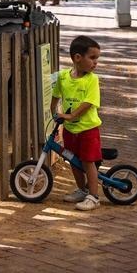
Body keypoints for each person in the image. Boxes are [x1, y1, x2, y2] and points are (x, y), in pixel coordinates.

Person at [52, 36, 104, 211]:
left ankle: (94, 196)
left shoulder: (92, 80)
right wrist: (53, 111)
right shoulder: (63, 77)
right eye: (92, 58)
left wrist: (71, 115)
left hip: (88, 129)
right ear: (77, 58)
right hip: (70, 129)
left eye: (97, 58)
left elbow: (88, 103)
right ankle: (82, 190)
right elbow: (56, 95)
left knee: (88, 162)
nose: (95, 63)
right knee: (73, 161)